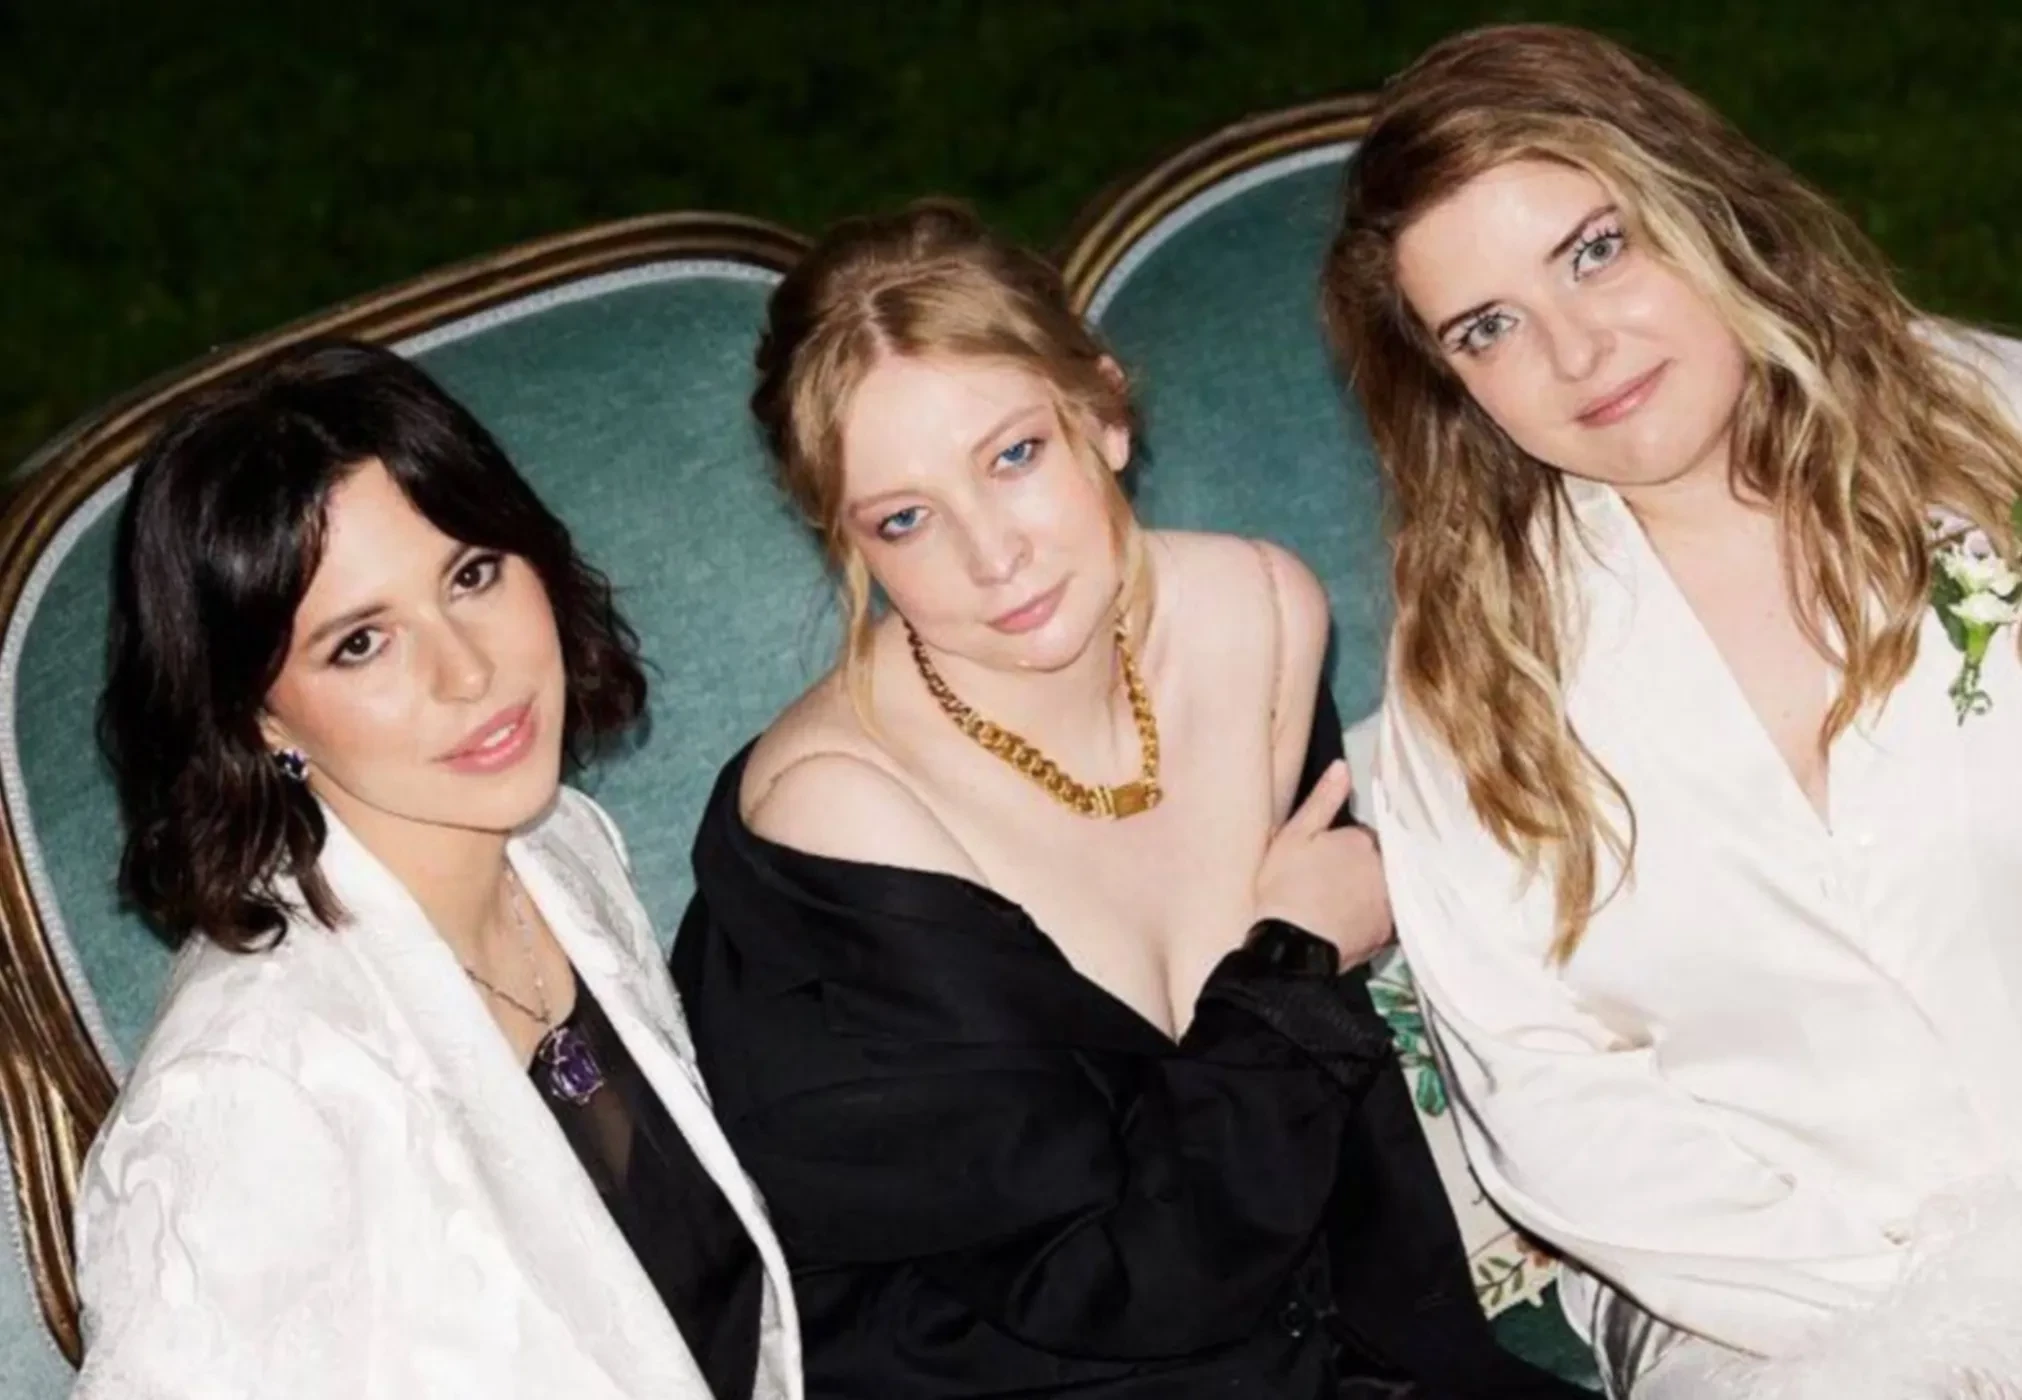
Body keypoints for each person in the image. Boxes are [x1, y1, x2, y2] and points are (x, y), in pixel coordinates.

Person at [669, 202, 1583, 1399]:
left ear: (1102, 412)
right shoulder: (844, 813)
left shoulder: (1258, 612)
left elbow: (1334, 1165)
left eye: (1013, 456)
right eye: (905, 519)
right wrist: (1298, 959)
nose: (992, 554)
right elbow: (1111, 1279)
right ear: (848, 540)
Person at [1328, 23, 2022, 1399]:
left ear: (1699, 208)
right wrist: (1936, 1318)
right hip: (1774, 1316)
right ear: (1451, 383)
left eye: (1595, 251)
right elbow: (1545, 1097)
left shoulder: (1993, 433)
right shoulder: (1475, 665)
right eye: (1488, 328)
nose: (1578, 350)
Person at [77, 341, 800, 1400]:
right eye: (361, 642)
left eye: (471, 575)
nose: (469, 670)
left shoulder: (558, 850)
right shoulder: (250, 1093)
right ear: (257, 716)